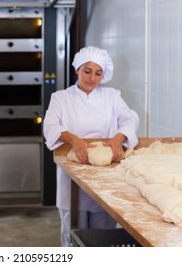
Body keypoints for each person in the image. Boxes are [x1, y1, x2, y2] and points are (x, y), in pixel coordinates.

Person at [43, 46, 139, 247]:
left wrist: (118, 138)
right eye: (87, 71)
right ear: (77, 69)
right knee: (73, 234)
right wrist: (73, 140)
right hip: (73, 175)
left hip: (104, 176)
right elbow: (50, 124)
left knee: (103, 233)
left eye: (98, 73)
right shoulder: (61, 98)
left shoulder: (112, 96)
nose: (92, 78)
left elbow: (130, 118)